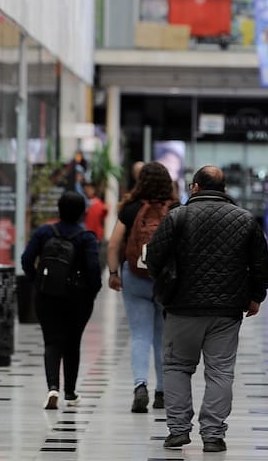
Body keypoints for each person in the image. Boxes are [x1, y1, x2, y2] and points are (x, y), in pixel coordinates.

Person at [146, 165, 268, 453]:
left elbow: (153, 257)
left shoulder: (177, 216)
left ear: (195, 187)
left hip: (182, 307)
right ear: (224, 189)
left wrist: (165, 285)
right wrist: (256, 295)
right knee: (221, 371)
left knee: (177, 366)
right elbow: (261, 263)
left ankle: (178, 430)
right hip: (227, 309)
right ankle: (213, 435)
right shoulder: (245, 219)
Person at [107, 161, 178, 413]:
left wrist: (113, 273)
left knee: (139, 335)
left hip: (135, 277)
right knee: (162, 336)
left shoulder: (130, 208)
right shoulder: (176, 209)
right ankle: (162, 392)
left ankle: (140, 385)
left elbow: (113, 244)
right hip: (165, 280)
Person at [20, 190, 101, 409]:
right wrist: (91, 293)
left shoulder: (44, 232)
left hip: (47, 296)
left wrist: (37, 281)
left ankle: (53, 387)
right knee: (73, 343)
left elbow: (26, 259)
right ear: (82, 212)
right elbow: (94, 269)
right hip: (78, 298)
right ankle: (70, 393)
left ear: (59, 209)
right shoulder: (87, 237)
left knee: (51, 341)